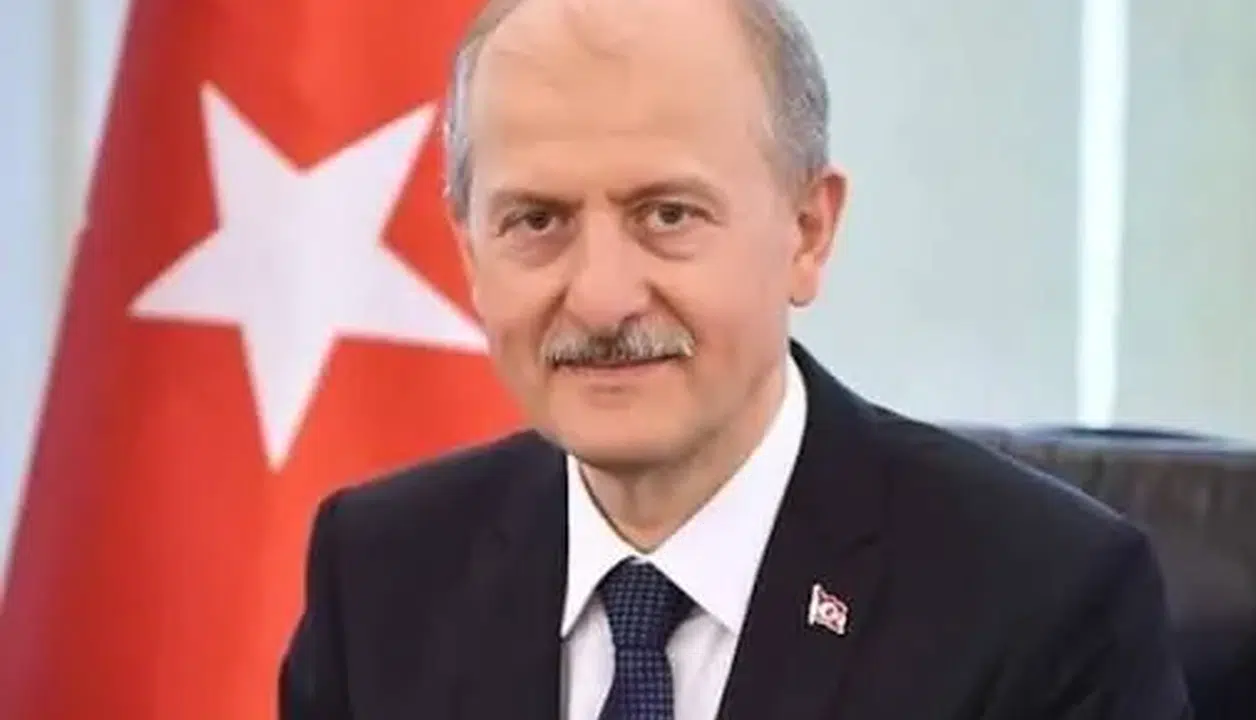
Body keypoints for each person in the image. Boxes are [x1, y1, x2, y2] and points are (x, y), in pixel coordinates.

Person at [278, 0, 1192, 717]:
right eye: (537, 220)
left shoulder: (1041, 602)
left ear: (808, 232)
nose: (600, 297)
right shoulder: (381, 575)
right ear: (471, 255)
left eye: (667, 215)